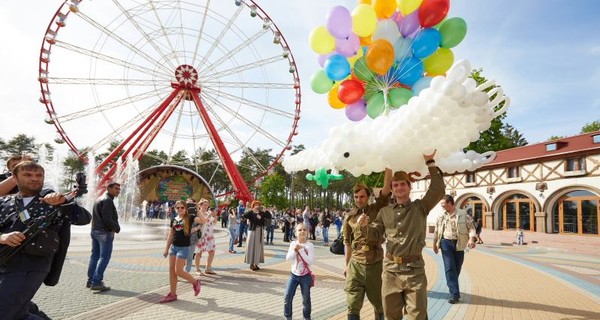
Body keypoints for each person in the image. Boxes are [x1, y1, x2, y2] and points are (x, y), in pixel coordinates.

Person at [357, 152, 445, 320]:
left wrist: (430, 162)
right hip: (391, 272)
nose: (399, 188)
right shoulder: (384, 212)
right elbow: (375, 235)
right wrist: (364, 227)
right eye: (395, 185)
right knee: (391, 316)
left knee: (417, 316)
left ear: (409, 187)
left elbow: (438, 189)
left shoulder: (421, 207)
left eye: (402, 184)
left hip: (414, 271)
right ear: (391, 189)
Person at [0, 161, 91, 319]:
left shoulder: (53, 201)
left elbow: (84, 218)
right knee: (21, 310)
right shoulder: (5, 203)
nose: (34, 179)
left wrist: (64, 203)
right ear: (14, 178)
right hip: (4, 261)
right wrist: (2, 237)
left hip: (31, 265)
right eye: (28, 175)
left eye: (38, 175)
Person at [342, 169, 392, 320]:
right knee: (352, 303)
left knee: (379, 303)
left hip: (374, 263)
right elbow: (348, 243)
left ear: (368, 197)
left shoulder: (377, 209)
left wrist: (388, 168)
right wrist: (346, 265)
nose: (358, 199)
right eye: (356, 197)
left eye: (362, 196)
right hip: (355, 264)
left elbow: (385, 190)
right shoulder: (349, 217)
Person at [432, 194, 477, 304]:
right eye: (441, 204)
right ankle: (454, 294)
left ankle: (452, 284)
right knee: (450, 267)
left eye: (444, 204)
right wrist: (434, 244)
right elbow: (437, 232)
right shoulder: (441, 216)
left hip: (459, 244)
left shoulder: (463, 214)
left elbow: (471, 228)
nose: (442, 206)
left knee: (457, 268)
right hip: (445, 243)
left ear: (451, 203)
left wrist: (472, 239)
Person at [160, 200, 205, 303]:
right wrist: (166, 248)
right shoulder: (174, 219)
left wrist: (198, 209)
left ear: (186, 209)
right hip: (173, 248)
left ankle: (195, 282)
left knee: (178, 271)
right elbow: (171, 235)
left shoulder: (190, 218)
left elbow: (203, 221)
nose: (180, 209)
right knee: (172, 271)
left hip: (183, 248)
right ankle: (172, 294)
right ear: (175, 209)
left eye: (182, 207)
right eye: (178, 208)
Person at [87, 182, 122, 292]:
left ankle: (90, 280)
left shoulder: (99, 199)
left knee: (95, 256)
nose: (118, 191)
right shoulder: (107, 200)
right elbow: (107, 219)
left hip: (95, 231)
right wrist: (116, 228)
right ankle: (96, 282)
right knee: (104, 257)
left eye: (119, 189)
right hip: (104, 233)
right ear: (109, 188)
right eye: (116, 188)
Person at [283, 223, 314, 320]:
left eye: (304, 230)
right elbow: (288, 258)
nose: (302, 232)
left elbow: (310, 261)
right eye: (300, 230)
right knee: (287, 297)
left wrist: (301, 251)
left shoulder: (310, 245)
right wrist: (295, 250)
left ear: (307, 233)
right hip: (294, 275)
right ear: (296, 233)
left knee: (306, 300)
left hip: (305, 276)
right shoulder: (293, 244)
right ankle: (288, 317)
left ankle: (307, 317)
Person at [194, 199, 217, 275]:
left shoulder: (208, 213)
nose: (206, 206)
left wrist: (215, 215)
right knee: (199, 253)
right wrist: (208, 215)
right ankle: (197, 269)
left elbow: (214, 222)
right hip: (202, 235)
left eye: (207, 205)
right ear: (200, 205)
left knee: (212, 251)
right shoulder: (198, 213)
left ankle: (208, 268)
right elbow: (203, 221)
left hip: (210, 235)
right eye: (205, 205)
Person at [244, 200, 266, 271]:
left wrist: (265, 210)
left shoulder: (261, 213)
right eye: (255, 205)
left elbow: (268, 217)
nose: (257, 206)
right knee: (251, 247)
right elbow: (244, 215)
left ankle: (256, 263)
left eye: (258, 205)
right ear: (253, 206)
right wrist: (252, 210)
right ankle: (251, 263)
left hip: (259, 231)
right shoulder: (251, 212)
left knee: (258, 247)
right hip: (252, 231)